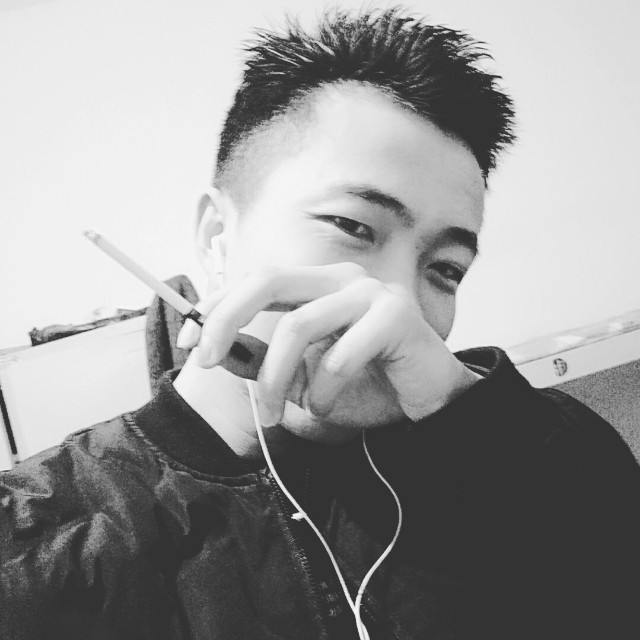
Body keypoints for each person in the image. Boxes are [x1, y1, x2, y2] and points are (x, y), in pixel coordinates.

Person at [2, 7, 640, 640]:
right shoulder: (36, 548)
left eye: (445, 270)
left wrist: (473, 420)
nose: (395, 301)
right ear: (217, 236)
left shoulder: (536, 459)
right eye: (352, 227)